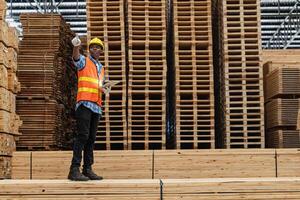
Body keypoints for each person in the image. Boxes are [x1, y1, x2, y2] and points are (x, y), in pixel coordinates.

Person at [68, 35, 109, 181]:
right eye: (92, 47)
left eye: (97, 47)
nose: (94, 49)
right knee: (82, 136)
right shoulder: (84, 61)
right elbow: (76, 59)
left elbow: (99, 85)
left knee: (91, 139)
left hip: (96, 106)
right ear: (90, 49)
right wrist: (76, 46)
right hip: (84, 104)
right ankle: (74, 169)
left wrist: (105, 88)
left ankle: (87, 169)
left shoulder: (101, 68)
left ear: (101, 51)